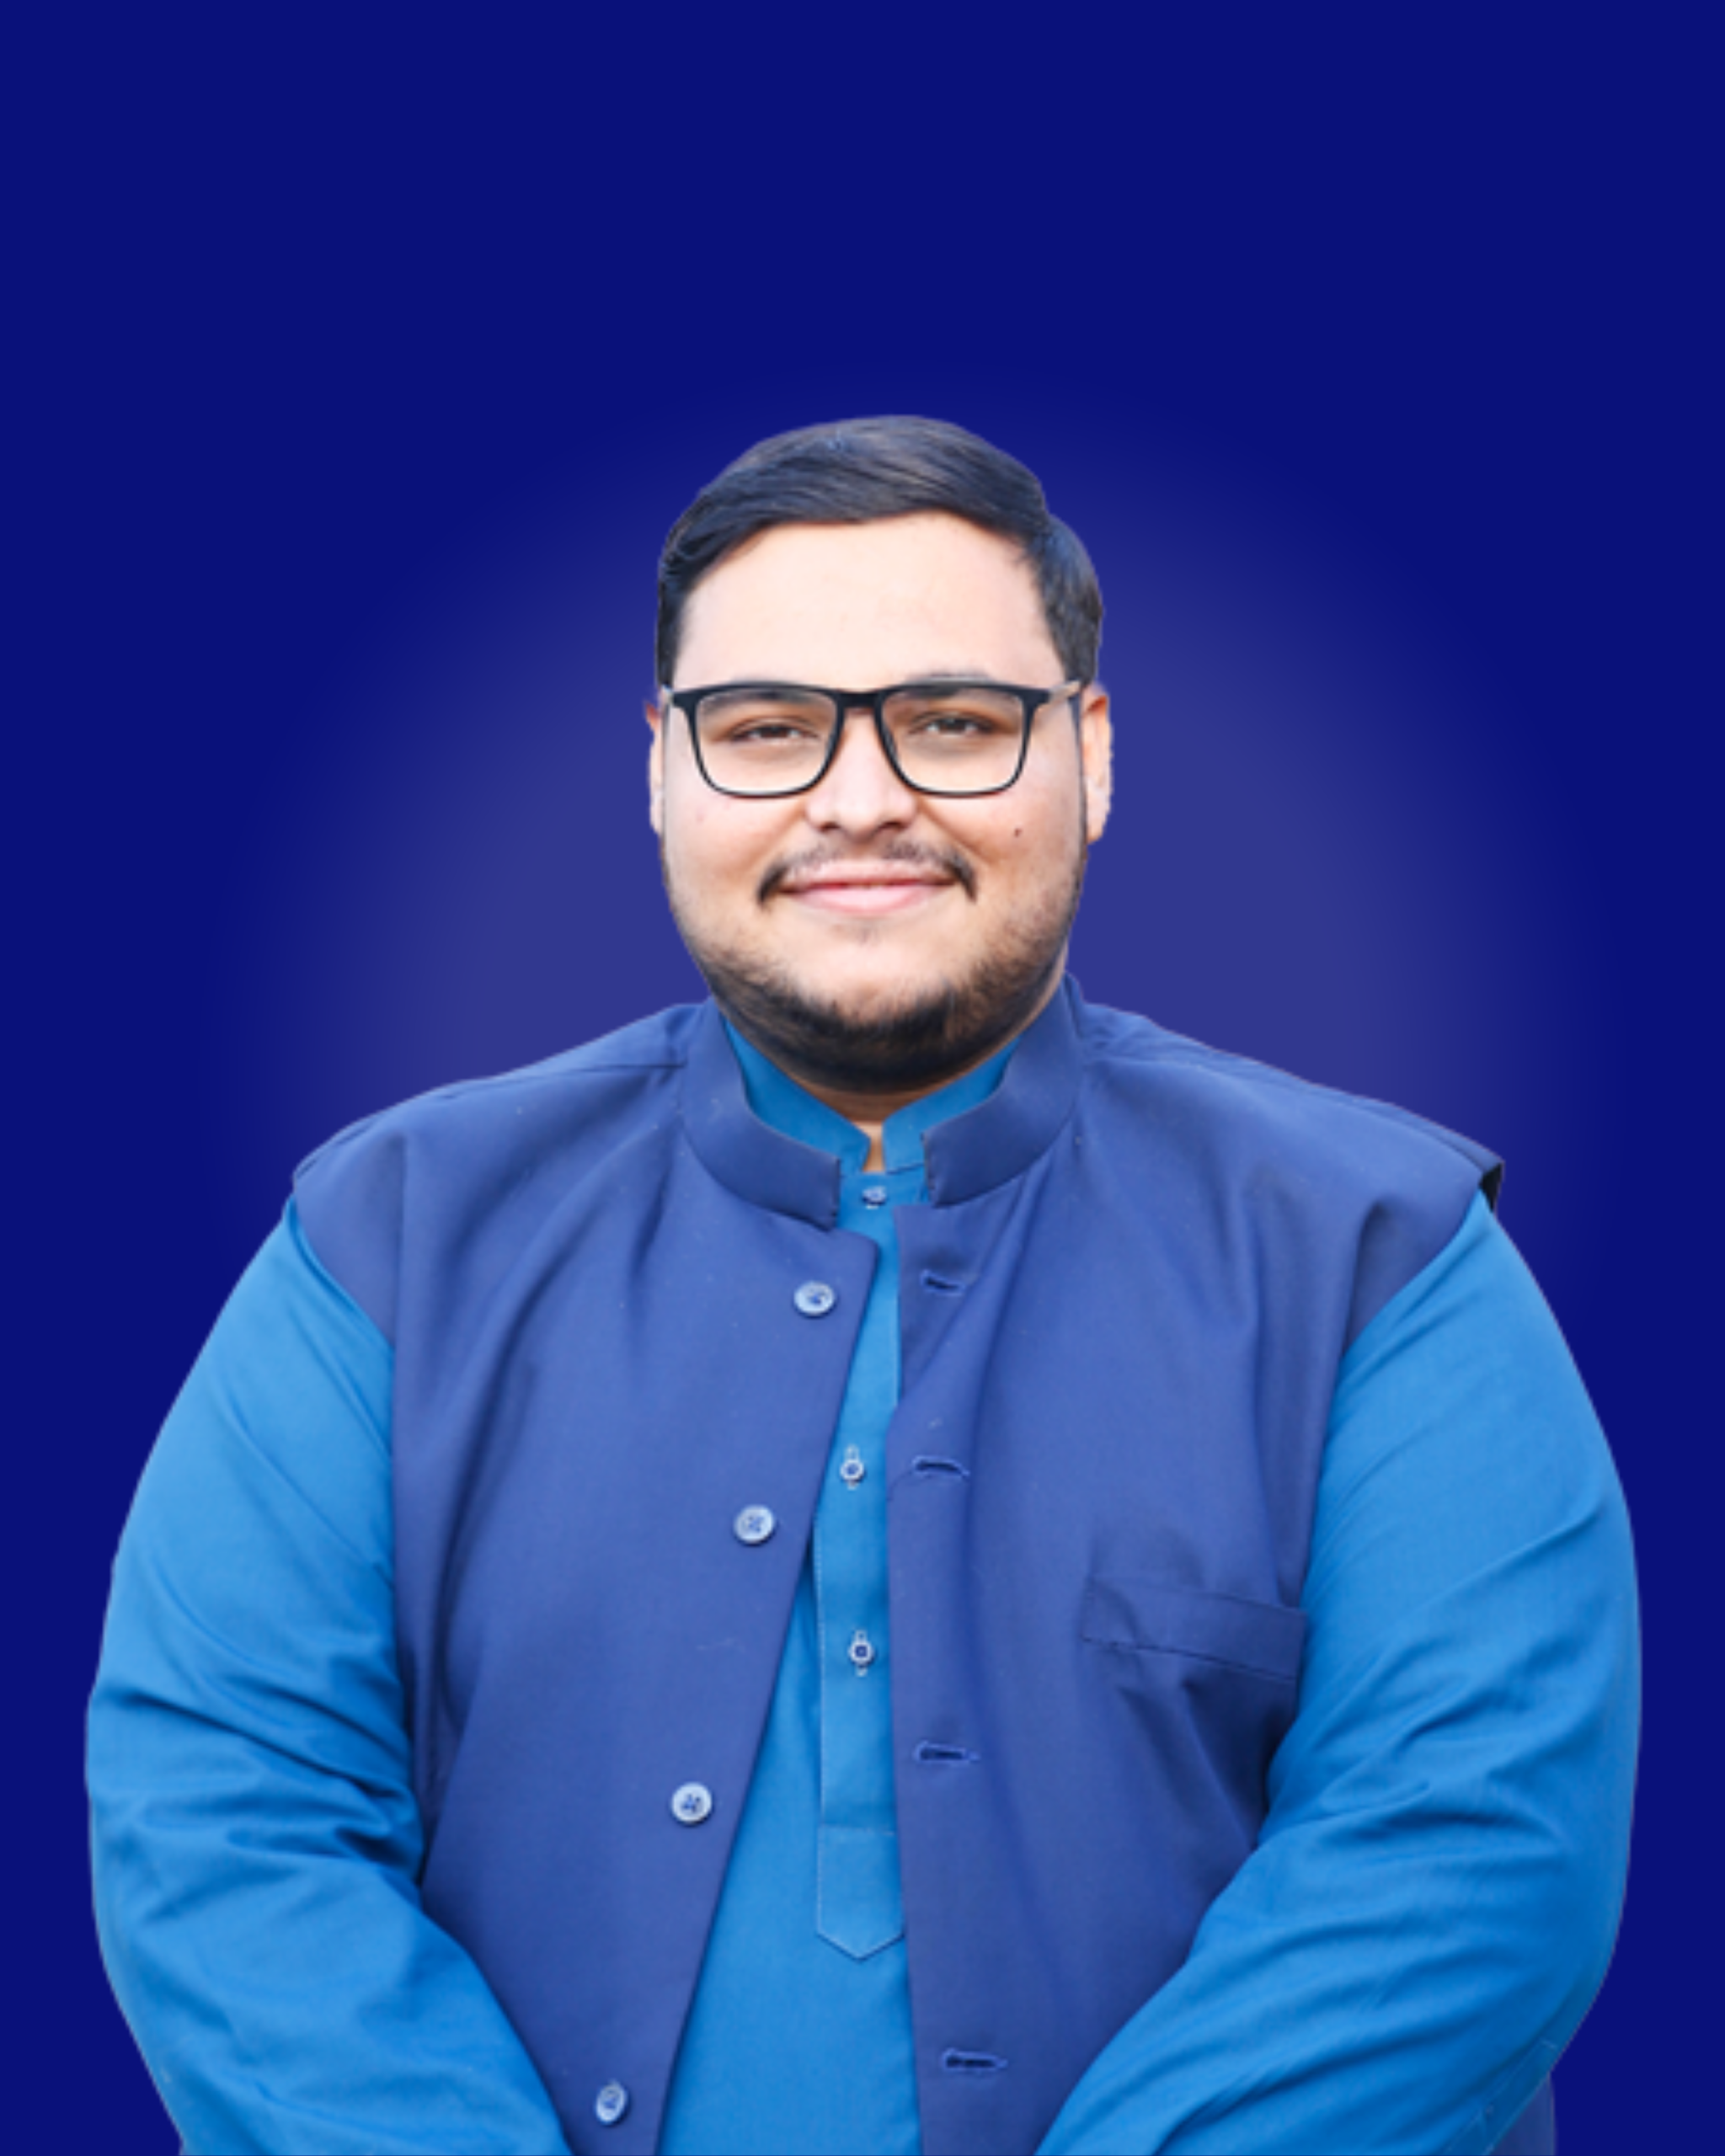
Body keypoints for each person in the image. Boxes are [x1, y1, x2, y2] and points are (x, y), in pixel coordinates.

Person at [88, 417, 1638, 2156]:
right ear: (662, 773)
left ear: (1094, 758)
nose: (858, 794)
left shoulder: (1386, 1251)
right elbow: (229, 1816)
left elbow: (1470, 1854)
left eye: (954, 723)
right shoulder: (388, 1235)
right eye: (765, 729)